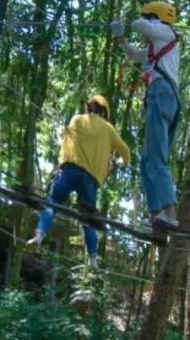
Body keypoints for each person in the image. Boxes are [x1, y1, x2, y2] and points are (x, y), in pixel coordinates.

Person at [27, 95, 131, 268]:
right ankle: (93, 259)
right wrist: (116, 164)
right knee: (87, 218)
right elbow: (126, 153)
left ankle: (39, 236)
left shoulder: (76, 119)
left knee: (52, 203)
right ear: (104, 113)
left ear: (88, 108)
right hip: (89, 179)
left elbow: (65, 143)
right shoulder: (108, 129)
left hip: (69, 170)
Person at [110, 1, 181, 230]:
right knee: (147, 161)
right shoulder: (156, 47)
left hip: (161, 95)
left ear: (155, 17)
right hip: (165, 100)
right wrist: (121, 38)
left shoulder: (165, 31)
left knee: (156, 159)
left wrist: (134, 20)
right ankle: (156, 213)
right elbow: (133, 54)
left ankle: (170, 214)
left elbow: (141, 25)